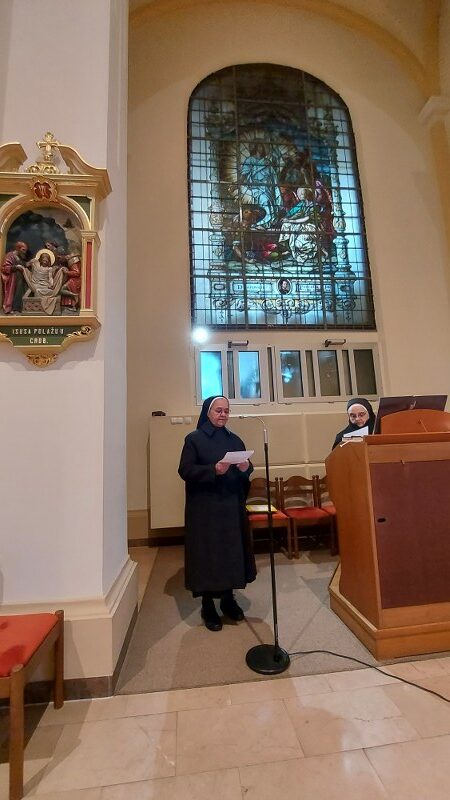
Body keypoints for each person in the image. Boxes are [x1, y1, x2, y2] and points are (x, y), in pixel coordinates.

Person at [178, 395, 257, 631]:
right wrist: (213, 469)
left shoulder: (235, 439)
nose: (223, 415)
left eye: (226, 411)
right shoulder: (194, 439)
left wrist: (246, 467)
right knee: (208, 554)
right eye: (218, 410)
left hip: (231, 506)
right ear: (208, 412)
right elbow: (185, 470)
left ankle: (227, 599)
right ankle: (207, 605)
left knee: (230, 553)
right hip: (205, 509)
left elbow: (246, 470)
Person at [21, 248, 65, 315]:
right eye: (43, 260)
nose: (45, 262)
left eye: (46, 261)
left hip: (45, 285)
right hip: (36, 284)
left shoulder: (49, 269)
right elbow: (26, 265)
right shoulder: (35, 264)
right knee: (37, 290)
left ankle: (44, 304)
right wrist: (31, 261)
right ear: (41, 259)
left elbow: (50, 278)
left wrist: (51, 284)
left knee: (51, 292)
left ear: (48, 261)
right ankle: (38, 304)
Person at [1, 241, 28, 314]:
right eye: (23, 250)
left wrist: (28, 264)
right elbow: (4, 268)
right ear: (17, 248)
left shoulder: (20, 257)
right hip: (12, 280)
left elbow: (23, 265)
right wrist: (15, 267)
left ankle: (18, 309)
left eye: (25, 250)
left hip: (20, 280)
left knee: (19, 294)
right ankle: (11, 309)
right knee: (12, 294)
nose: (24, 252)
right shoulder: (10, 255)